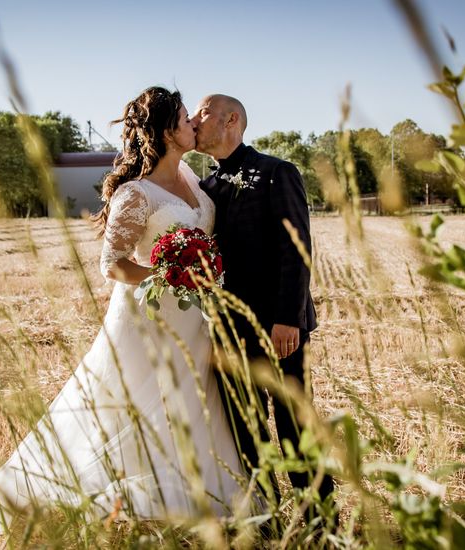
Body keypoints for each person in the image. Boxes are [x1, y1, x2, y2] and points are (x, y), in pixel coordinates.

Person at [0, 87, 246, 538]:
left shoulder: (196, 181)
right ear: (165, 131)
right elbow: (113, 264)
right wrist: (171, 273)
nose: (192, 124)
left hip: (196, 317)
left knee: (191, 401)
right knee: (131, 404)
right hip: (152, 315)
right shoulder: (135, 193)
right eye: (184, 118)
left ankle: (196, 495)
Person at [191, 94, 337, 515]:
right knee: (244, 427)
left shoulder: (276, 172)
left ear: (231, 120)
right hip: (225, 327)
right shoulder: (205, 189)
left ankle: (319, 520)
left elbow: (297, 249)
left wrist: (288, 319)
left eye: (204, 113)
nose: (197, 121)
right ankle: (268, 516)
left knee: (294, 423)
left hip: (279, 327)